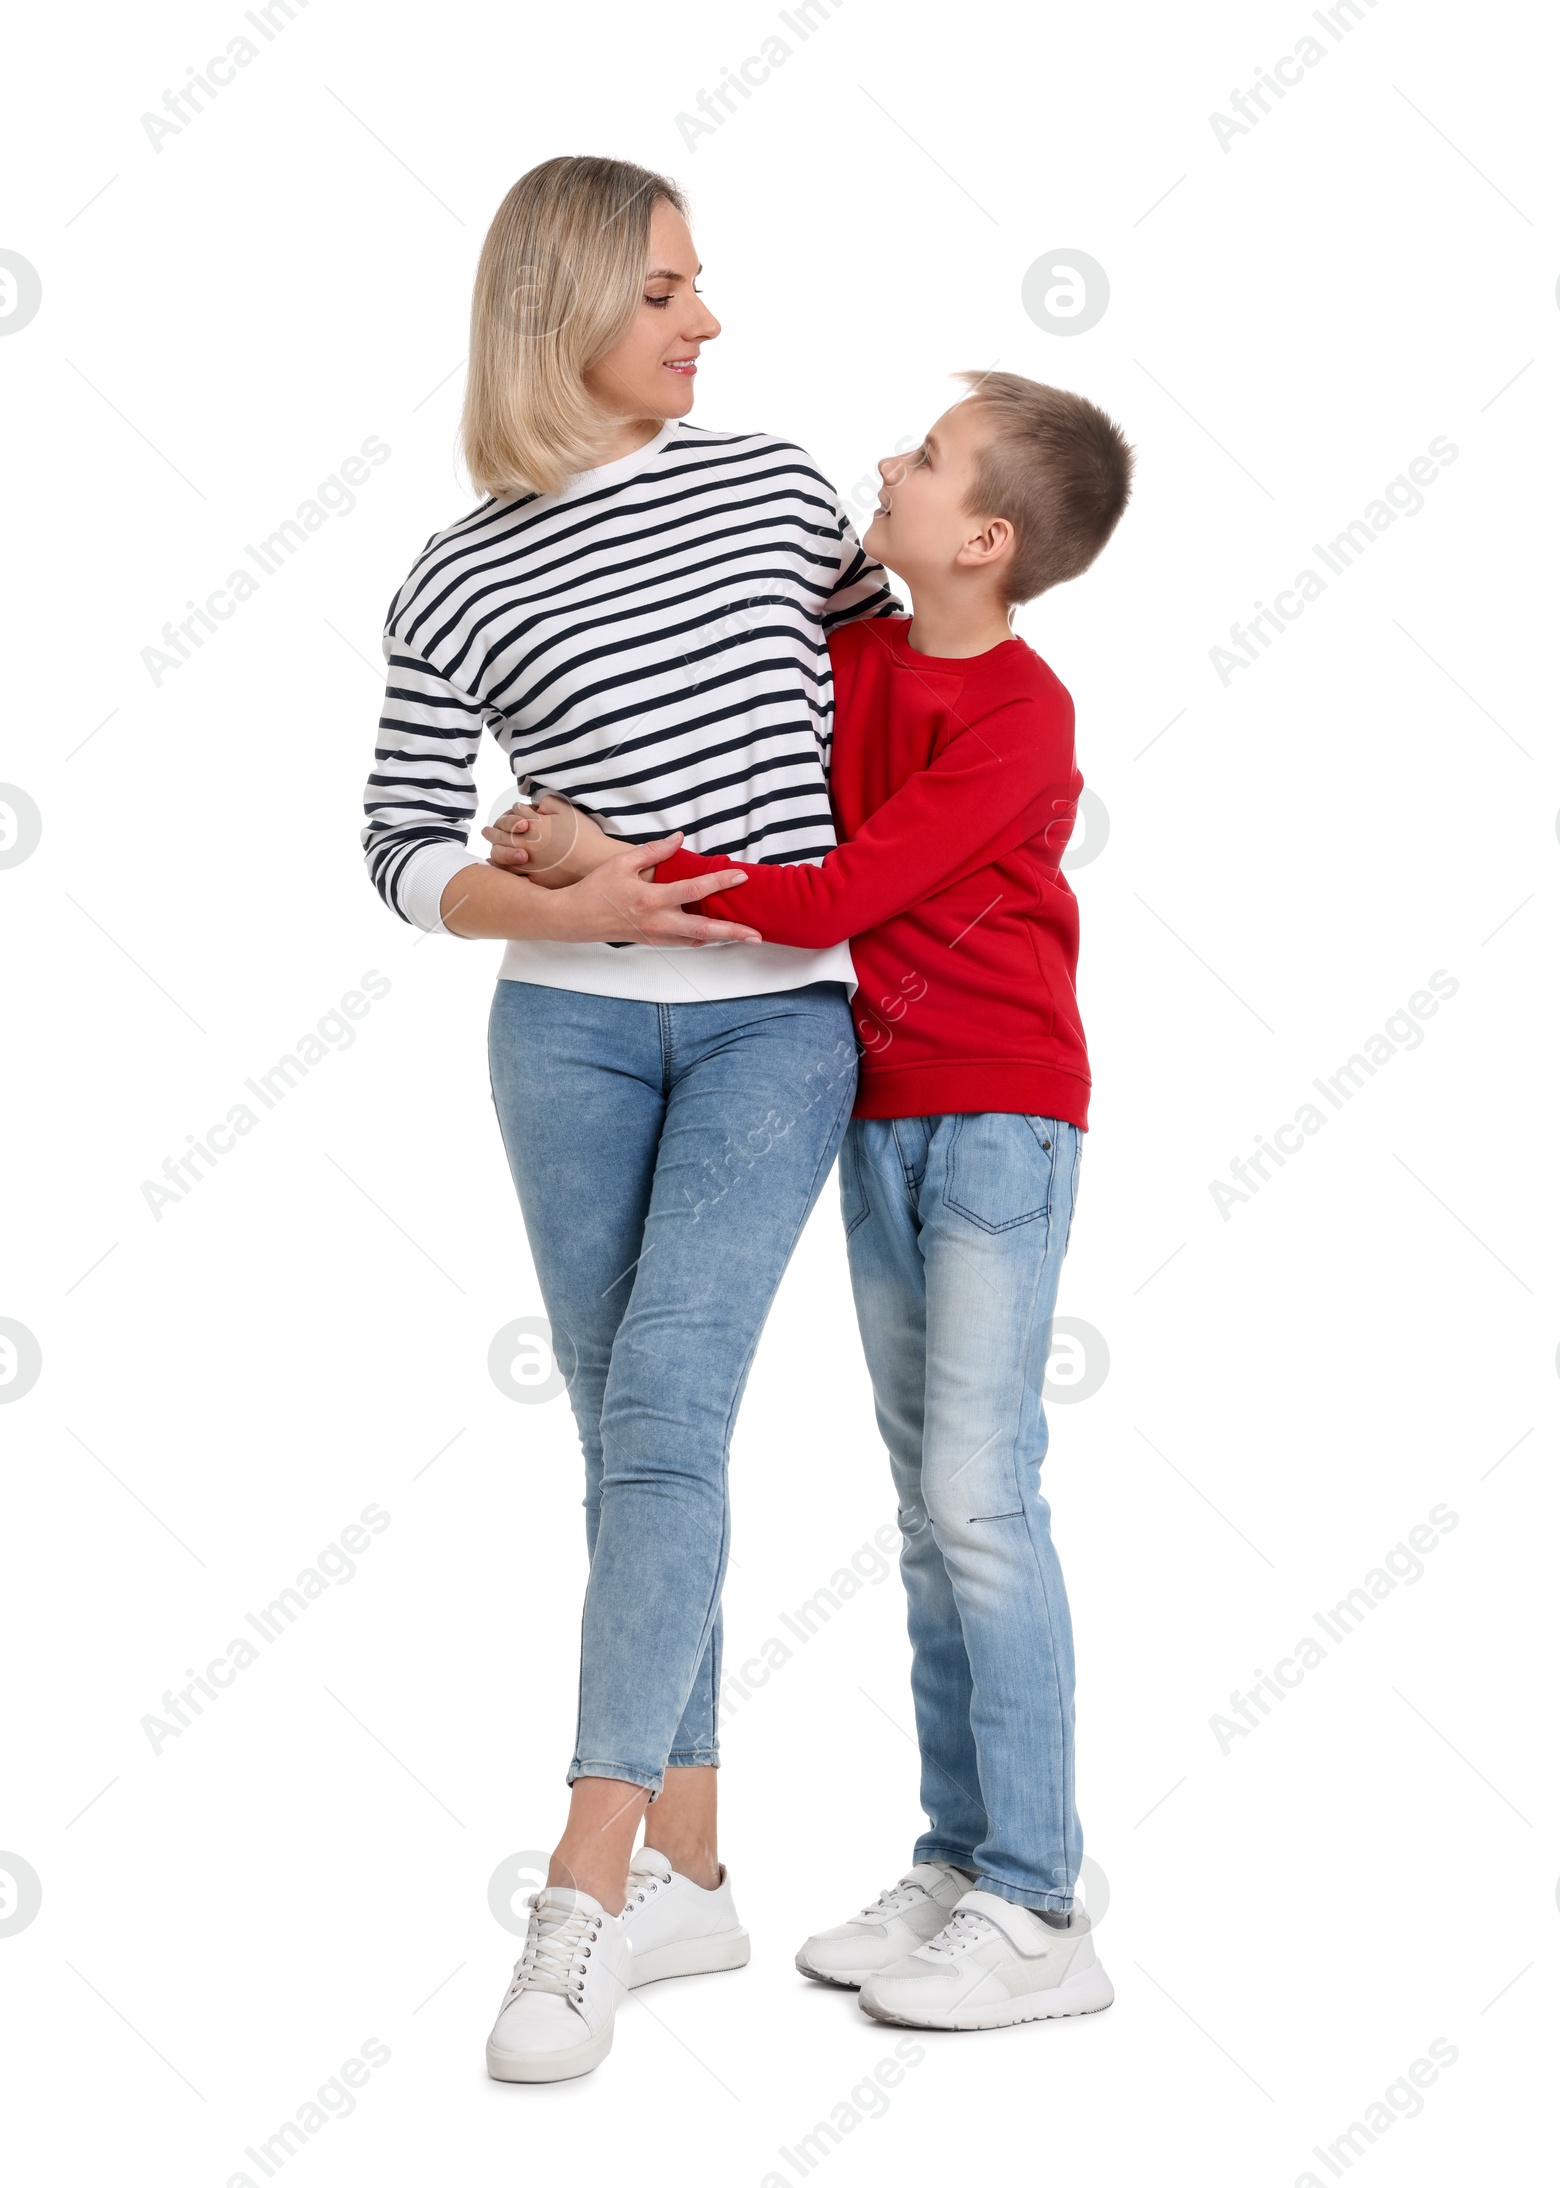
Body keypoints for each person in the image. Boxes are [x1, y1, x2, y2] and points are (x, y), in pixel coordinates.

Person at [487, 369, 1134, 2033]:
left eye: (923, 460)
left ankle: (1044, 1901)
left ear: (983, 538)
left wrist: (642, 888)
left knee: (986, 1501)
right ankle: (956, 1861)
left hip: (999, 1118)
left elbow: (844, 884)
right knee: (926, 1510)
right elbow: (740, 782)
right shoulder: (851, 660)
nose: (885, 465)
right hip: (879, 1108)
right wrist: (576, 839)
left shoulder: (1019, 715)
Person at [361, 153, 896, 2083]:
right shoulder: (454, 565)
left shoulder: (776, 487)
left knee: (665, 1418)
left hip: (779, 1026)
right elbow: (400, 845)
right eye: (668, 288)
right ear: (564, 303)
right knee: (626, 1448)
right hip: (567, 1042)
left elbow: (907, 717)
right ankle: (694, 1860)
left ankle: (578, 1891)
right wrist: (564, 899)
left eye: (699, 288)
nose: (707, 320)